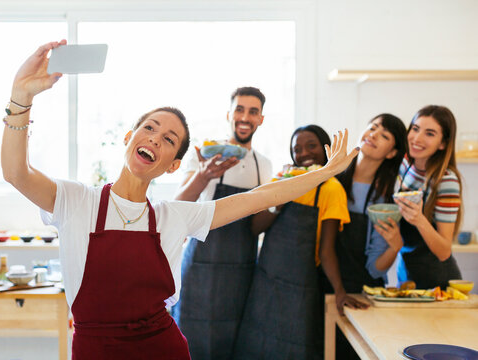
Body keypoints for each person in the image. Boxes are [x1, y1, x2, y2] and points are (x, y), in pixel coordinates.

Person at [1, 41, 358, 359]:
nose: (156, 138)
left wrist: (323, 173)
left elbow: (258, 198)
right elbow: (17, 172)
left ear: (173, 165)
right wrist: (22, 96)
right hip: (96, 349)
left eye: (169, 139)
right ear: (129, 137)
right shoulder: (77, 201)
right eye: (150, 128)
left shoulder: (173, 217)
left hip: (162, 346)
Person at [233, 125, 351, 359]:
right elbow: (256, 227)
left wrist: (340, 291)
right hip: (266, 282)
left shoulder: (331, 189)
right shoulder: (282, 179)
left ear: (326, 149)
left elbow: (326, 251)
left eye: (311, 146)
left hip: (301, 289)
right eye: (297, 149)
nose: (304, 153)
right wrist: (281, 197)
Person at [172, 87, 272, 359]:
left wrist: (279, 199)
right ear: (229, 114)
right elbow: (179, 206)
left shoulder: (263, 165)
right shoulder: (205, 153)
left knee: (233, 344)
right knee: (190, 341)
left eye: (253, 111)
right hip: (199, 269)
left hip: (241, 273)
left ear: (261, 119)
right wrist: (204, 175)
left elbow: (256, 226)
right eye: (239, 109)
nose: (245, 117)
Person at [331, 114, 407, 360]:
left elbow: (375, 268)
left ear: (392, 153)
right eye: (373, 127)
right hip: (322, 286)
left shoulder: (384, 201)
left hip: (359, 294)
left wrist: (394, 248)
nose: (373, 134)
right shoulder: (332, 177)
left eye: (384, 135)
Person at [391, 105, 463, 289]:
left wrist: (419, 219)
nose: (417, 138)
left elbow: (444, 251)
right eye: (415, 129)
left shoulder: (446, 180)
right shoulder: (406, 164)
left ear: (443, 144)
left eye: (429, 133)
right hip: (406, 275)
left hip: (437, 282)